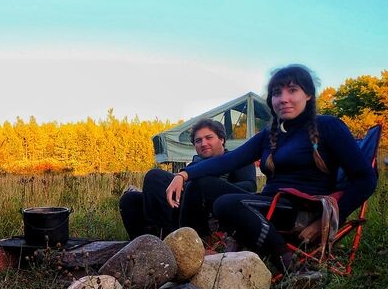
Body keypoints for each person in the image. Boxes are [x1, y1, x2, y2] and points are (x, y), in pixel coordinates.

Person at [165, 64, 377, 271]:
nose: (283, 98)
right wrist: (184, 174)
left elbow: (366, 178)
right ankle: (191, 251)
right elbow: (228, 160)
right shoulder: (270, 134)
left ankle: (288, 263)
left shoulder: (329, 126)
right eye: (277, 93)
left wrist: (326, 221)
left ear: (309, 95)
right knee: (200, 184)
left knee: (226, 204)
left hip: (300, 211)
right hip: (271, 206)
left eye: (292, 90)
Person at [119, 118, 256, 239]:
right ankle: (145, 243)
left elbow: (249, 187)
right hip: (179, 207)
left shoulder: (236, 159)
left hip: (206, 211)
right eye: (198, 140)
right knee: (130, 200)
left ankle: (167, 238)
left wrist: (211, 185)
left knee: (155, 175)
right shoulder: (194, 164)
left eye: (209, 138)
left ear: (221, 139)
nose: (203, 143)